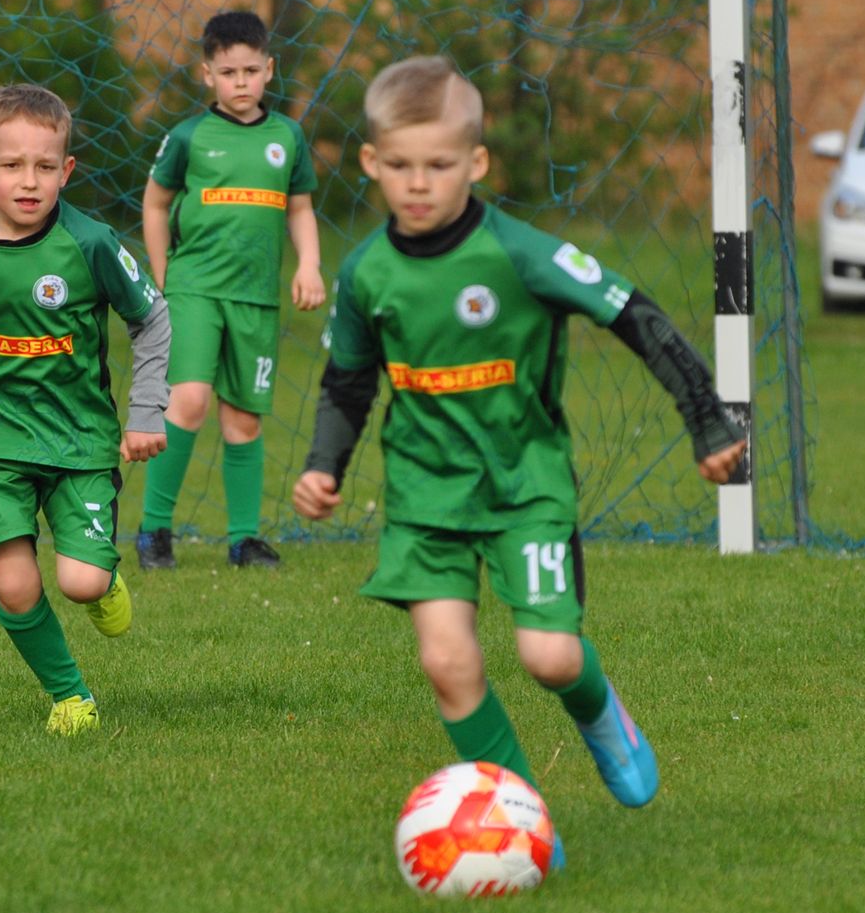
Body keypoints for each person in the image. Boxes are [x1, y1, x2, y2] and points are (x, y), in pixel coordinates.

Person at [292, 56, 744, 865]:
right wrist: (325, 464)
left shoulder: (520, 252)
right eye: (399, 166)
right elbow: (348, 381)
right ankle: (522, 822)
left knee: (549, 656)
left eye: (438, 166)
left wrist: (707, 420)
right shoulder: (366, 272)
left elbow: (635, 315)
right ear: (370, 163)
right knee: (446, 659)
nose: (418, 184)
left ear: (476, 163)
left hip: (524, 482)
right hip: (424, 494)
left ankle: (604, 714)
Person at [0, 85, 170, 735]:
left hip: (79, 438)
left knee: (78, 582)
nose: (29, 181)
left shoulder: (91, 242)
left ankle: (102, 578)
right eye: (13, 165)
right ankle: (70, 695)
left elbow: (152, 318)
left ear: (66, 170)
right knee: (15, 584)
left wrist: (146, 411)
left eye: (45, 167)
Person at [134, 11, 323, 570]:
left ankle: (243, 540)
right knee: (189, 400)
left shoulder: (286, 137)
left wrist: (309, 264)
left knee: (243, 417)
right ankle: (153, 533)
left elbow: (302, 208)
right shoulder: (189, 136)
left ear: (270, 68)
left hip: (256, 297)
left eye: (250, 70)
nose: (240, 82)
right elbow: (155, 202)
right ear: (206, 74)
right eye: (227, 72)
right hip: (195, 289)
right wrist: (163, 275)